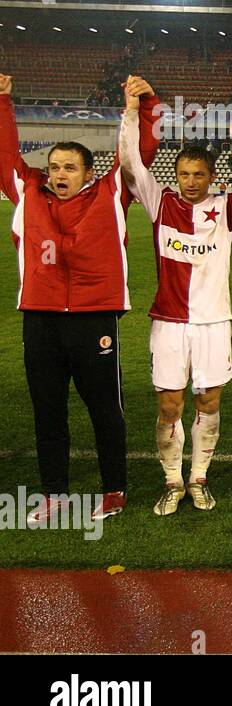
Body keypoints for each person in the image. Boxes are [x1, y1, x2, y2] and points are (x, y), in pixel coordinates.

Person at [0, 72, 160, 523]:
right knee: (48, 413)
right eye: (54, 167)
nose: (59, 175)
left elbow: (139, 153)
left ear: (89, 172)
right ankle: (55, 495)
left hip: (94, 320)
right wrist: (4, 101)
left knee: (106, 411)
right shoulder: (27, 192)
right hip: (41, 320)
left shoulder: (111, 193)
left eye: (70, 167)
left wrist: (144, 106)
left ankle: (114, 490)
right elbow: (5, 156)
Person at [117, 102, 232, 516]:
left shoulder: (225, 210)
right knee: (169, 405)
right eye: (184, 174)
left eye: (199, 175)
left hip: (214, 321)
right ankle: (171, 481)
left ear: (211, 177)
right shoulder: (160, 203)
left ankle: (198, 477)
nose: (191, 182)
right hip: (169, 322)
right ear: (174, 176)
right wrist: (131, 113)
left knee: (208, 402)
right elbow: (129, 165)